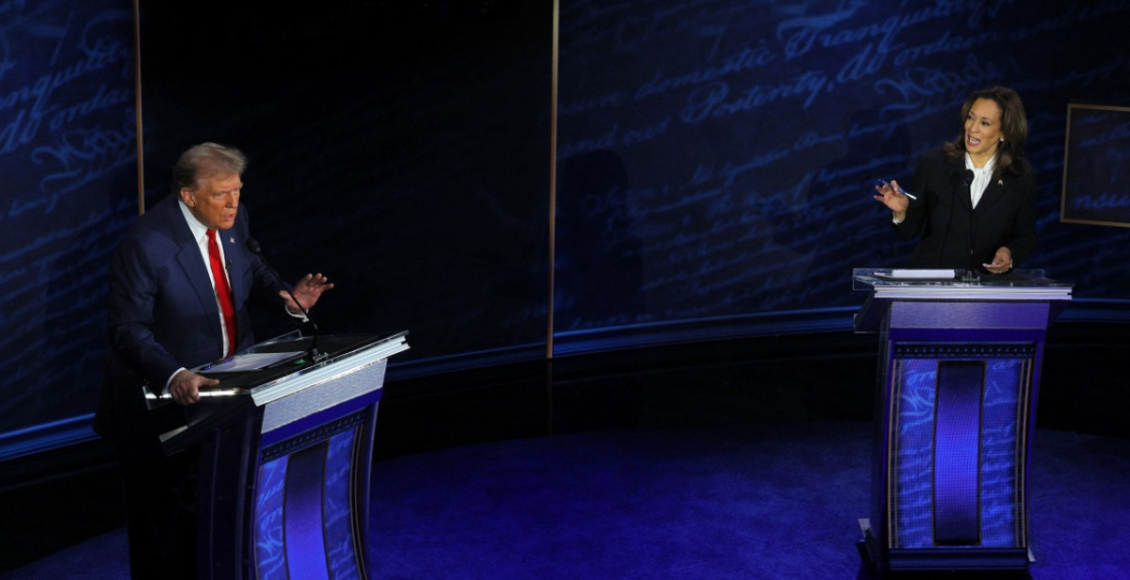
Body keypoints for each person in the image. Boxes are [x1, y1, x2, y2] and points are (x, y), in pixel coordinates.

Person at [94, 142, 333, 580]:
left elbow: (252, 272)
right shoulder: (146, 244)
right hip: (163, 408)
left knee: (225, 513)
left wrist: (287, 299)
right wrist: (173, 373)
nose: (233, 203)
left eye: (238, 190)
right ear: (188, 195)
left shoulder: (234, 220)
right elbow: (127, 328)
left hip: (229, 395)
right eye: (222, 193)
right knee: (168, 532)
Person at [874, 86, 1037, 275]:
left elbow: (1026, 237)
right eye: (971, 118)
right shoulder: (934, 163)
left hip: (984, 285)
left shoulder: (1021, 177)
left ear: (1004, 132)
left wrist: (1009, 253)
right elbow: (909, 231)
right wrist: (902, 212)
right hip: (931, 281)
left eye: (984, 123)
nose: (972, 128)